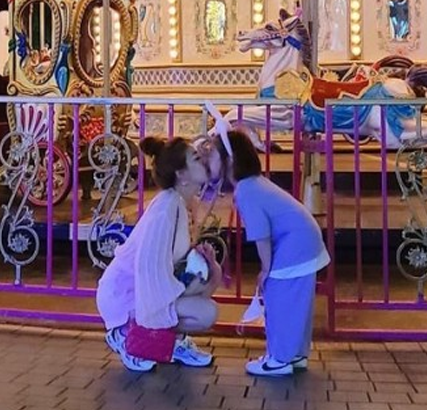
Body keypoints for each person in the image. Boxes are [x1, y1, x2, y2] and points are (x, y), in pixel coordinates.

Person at [206, 125, 330, 377]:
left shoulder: (246, 190)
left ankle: (280, 359)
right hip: (303, 240)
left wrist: (265, 269)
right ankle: (295, 354)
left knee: (279, 300)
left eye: (214, 155)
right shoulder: (253, 184)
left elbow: (261, 234)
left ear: (230, 160)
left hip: (295, 244)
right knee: (295, 301)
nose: (210, 160)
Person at [96, 136, 221, 372]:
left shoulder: (183, 202)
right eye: (196, 158)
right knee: (206, 311)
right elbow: (147, 268)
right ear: (181, 175)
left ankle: (171, 341)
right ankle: (128, 335)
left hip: (146, 287)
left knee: (207, 276)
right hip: (125, 295)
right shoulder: (166, 209)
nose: (203, 160)